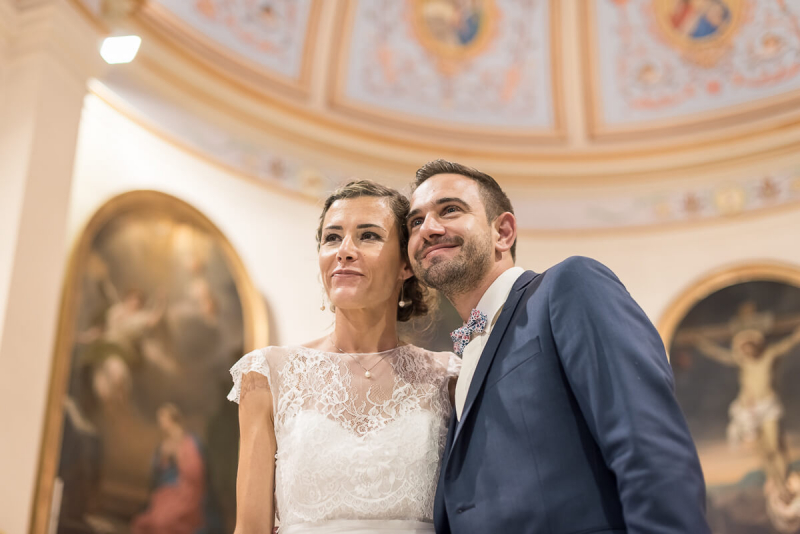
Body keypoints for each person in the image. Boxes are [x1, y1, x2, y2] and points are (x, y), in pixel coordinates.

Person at [405, 159, 710, 534]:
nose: (428, 229)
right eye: (415, 222)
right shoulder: (459, 360)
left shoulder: (567, 287)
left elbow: (650, 446)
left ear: (503, 232)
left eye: (450, 209)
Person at [228, 181, 460, 534]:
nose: (345, 251)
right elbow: (250, 529)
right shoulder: (268, 375)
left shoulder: (448, 377)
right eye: (332, 238)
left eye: (368, 236)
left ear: (406, 264)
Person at [132, 403, 206, 534]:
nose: (160, 423)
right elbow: (159, 469)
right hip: (168, 489)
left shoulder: (188, 441)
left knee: (163, 520)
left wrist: (177, 456)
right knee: (150, 519)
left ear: (171, 419)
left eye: (162, 418)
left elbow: (195, 471)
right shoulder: (166, 442)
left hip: (185, 491)